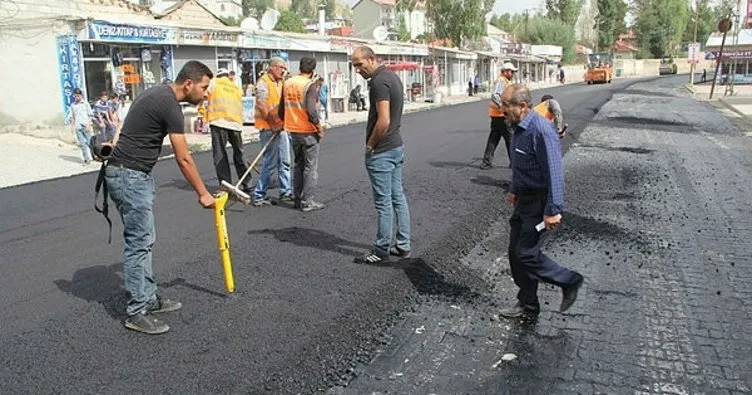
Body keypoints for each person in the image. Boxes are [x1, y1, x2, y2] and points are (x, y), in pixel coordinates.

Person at [104, 60, 216, 334]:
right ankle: (137, 311)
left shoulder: (157, 93)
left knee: (145, 239)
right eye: (203, 87)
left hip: (130, 174)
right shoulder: (170, 105)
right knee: (139, 243)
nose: (206, 93)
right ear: (188, 83)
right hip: (130, 176)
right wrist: (203, 194)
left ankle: (149, 297)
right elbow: (184, 158)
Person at [498, 83, 583, 319]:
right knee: (515, 254)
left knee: (525, 253)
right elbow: (521, 165)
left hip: (540, 203)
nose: (502, 109)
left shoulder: (542, 131)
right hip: (524, 200)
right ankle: (528, 304)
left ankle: (569, 280)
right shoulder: (518, 128)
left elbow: (554, 172)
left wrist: (553, 210)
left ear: (523, 106)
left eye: (506, 105)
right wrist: (515, 189)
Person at [350, 45, 412, 264]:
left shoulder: (378, 82)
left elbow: (384, 119)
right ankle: (403, 245)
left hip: (383, 151)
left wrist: (370, 146)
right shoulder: (391, 77)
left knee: (383, 202)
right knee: (398, 197)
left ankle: (381, 249)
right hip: (396, 146)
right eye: (354, 65)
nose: (358, 69)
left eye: (360, 64)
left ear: (372, 59)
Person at [278, 56, 326, 212]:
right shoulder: (310, 85)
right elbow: (312, 111)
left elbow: (281, 109)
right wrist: (318, 127)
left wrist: (285, 121)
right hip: (308, 131)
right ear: (313, 70)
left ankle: (297, 198)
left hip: (293, 130)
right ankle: (308, 202)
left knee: (298, 165)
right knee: (310, 168)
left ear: (299, 67)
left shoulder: (287, 83)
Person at [252, 57, 293, 206]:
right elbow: (262, 106)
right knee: (269, 163)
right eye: (281, 67)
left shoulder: (280, 83)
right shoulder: (263, 83)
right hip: (268, 128)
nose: (283, 71)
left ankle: (286, 191)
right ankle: (259, 195)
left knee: (285, 161)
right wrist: (273, 123)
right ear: (272, 67)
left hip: (281, 127)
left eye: (284, 68)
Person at [207, 68, 252, 194]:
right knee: (239, 153)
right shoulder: (236, 87)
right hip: (236, 124)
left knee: (220, 155)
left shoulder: (214, 82)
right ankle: (247, 182)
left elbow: (205, 95)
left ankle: (225, 184)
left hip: (219, 121)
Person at [480, 62, 517, 170]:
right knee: (510, 138)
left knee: (494, 138)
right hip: (501, 115)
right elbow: (495, 95)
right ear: (504, 71)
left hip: (496, 115)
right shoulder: (501, 81)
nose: (512, 73)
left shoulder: (505, 82)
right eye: (511, 71)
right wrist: (504, 107)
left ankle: (486, 162)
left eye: (513, 72)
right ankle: (514, 163)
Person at [68, 87, 94, 164]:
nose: (77, 97)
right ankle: (87, 159)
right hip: (78, 126)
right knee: (82, 144)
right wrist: (72, 127)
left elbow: (90, 115)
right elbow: (73, 116)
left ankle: (94, 156)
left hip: (85, 125)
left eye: (78, 96)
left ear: (81, 95)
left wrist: (89, 125)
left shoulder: (85, 104)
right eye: (75, 96)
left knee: (89, 142)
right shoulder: (73, 105)